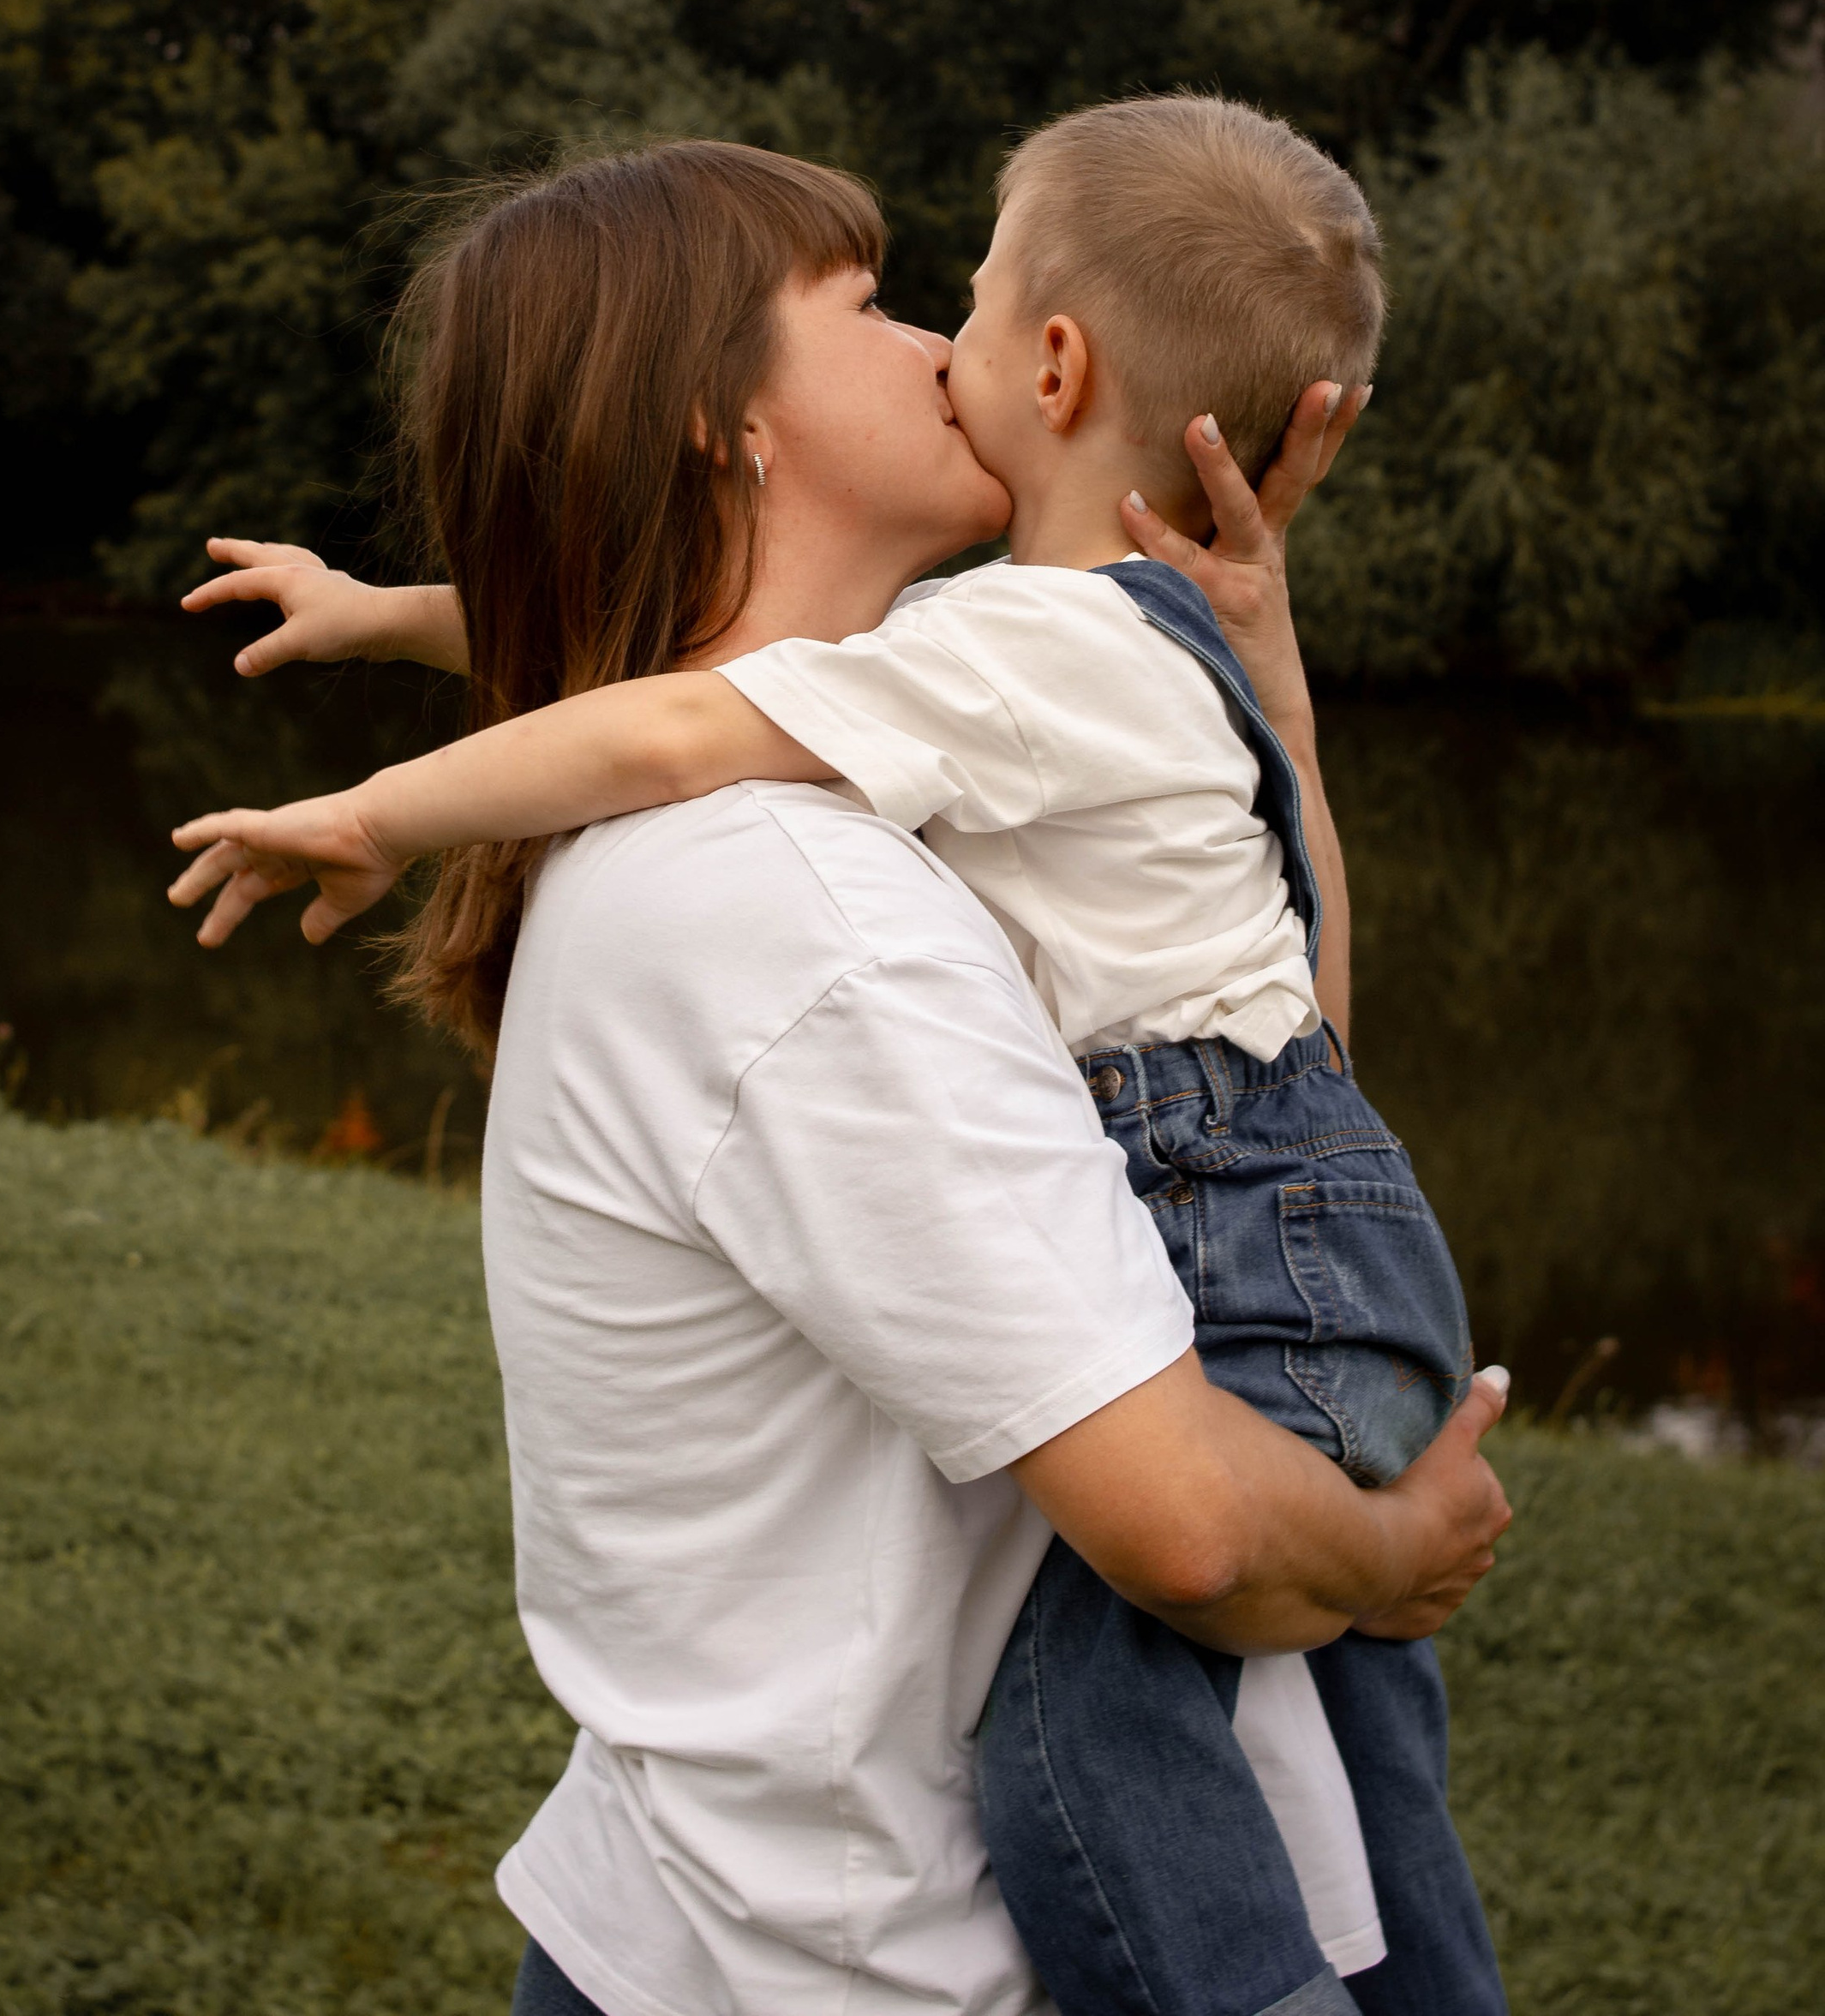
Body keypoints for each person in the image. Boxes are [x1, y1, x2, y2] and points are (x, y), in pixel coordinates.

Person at [173, 138, 1511, 2016]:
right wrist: (1386, 1548)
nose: (926, 342)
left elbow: (1283, 1060)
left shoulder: (881, 760)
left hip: (730, 1923)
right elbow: (1193, 1529)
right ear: (728, 421)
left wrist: (1259, 696)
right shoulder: (803, 913)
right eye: (869, 304)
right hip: (861, 1966)